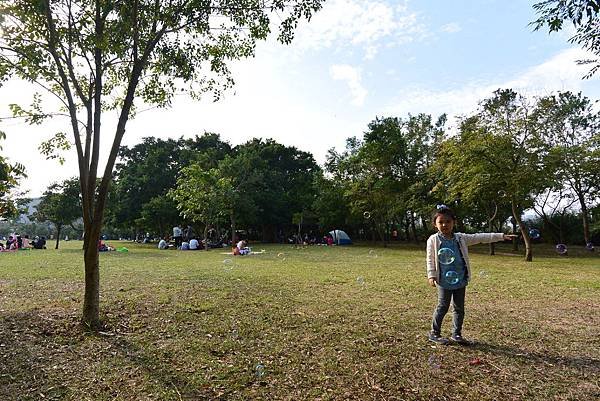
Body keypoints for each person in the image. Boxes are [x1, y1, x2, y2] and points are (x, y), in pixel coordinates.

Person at [426, 205, 516, 345]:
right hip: (444, 280)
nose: (445, 225)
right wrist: (431, 275)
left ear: (453, 222)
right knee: (442, 306)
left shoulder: (460, 238)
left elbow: (479, 237)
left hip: (460, 279)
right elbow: (430, 258)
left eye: (448, 222)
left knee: (459, 308)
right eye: (441, 222)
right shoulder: (433, 240)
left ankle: (456, 334)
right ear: (435, 224)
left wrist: (501, 236)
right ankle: (434, 333)